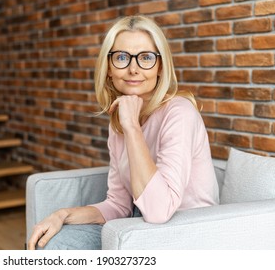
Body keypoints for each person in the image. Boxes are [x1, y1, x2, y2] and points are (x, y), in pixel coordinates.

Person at [27, 14, 219, 250]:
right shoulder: (121, 120)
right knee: (46, 243)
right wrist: (62, 215)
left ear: (160, 67)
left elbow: (159, 211)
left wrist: (132, 128)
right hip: (139, 225)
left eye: (146, 57)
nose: (133, 69)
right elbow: (118, 205)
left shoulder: (179, 113)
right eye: (121, 57)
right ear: (108, 68)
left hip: (186, 234)